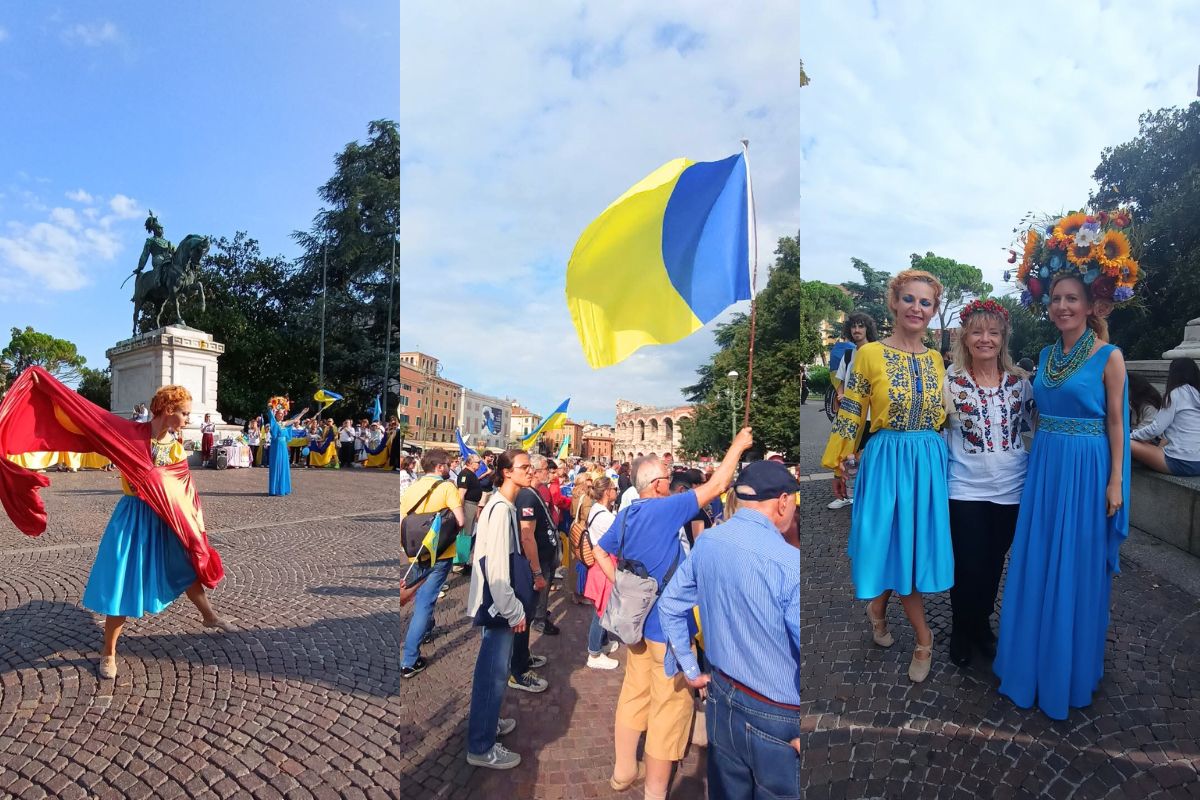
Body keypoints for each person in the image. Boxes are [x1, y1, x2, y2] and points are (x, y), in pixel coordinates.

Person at [994, 269, 1130, 720]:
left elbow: (1116, 423)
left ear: (1092, 306)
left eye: (1072, 298)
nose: (1063, 307)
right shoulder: (1048, 354)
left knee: (1075, 563)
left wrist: (1116, 481)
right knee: (1037, 559)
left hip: (1087, 469)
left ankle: (1066, 670)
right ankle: (1028, 661)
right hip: (1047, 465)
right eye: (1056, 298)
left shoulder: (1110, 356)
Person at [593, 427, 754, 798]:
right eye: (667, 476)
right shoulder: (664, 508)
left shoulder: (629, 513)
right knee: (668, 711)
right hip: (667, 630)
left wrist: (621, 584)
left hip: (634, 626)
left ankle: (622, 771)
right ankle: (654, 792)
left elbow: (599, 549)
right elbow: (716, 487)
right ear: (659, 484)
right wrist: (737, 445)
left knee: (634, 696)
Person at [822, 269, 951, 683]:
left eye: (925, 302)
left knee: (908, 547)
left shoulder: (936, 361)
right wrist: (839, 461)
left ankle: (878, 609)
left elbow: (949, 415)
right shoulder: (869, 354)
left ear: (934, 311)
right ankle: (924, 637)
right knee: (889, 543)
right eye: (909, 299)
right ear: (894, 303)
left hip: (927, 461)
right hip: (886, 458)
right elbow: (852, 408)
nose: (916, 308)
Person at [659, 460, 801, 799]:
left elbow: (670, 605)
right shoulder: (788, 563)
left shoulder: (708, 542)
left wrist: (691, 671)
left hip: (722, 696)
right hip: (777, 714)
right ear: (782, 501)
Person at [83, 385, 232, 679]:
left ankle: (208, 616)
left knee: (184, 565)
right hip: (134, 517)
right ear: (167, 410)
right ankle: (108, 653)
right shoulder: (130, 436)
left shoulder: (176, 448)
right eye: (184, 413)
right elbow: (90, 425)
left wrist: (195, 523)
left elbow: (184, 490)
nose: (188, 419)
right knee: (123, 580)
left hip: (165, 518)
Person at [941, 299, 1033, 668]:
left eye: (993, 332)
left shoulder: (1021, 385)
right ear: (965, 337)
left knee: (994, 562)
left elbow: (1038, 426)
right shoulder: (949, 382)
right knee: (967, 564)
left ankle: (980, 625)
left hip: (1012, 489)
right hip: (963, 488)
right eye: (977, 332)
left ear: (1003, 338)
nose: (985, 339)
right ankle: (962, 629)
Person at [464, 449, 532, 770]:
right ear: (507, 472)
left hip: (497, 602)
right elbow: (497, 567)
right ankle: (481, 745)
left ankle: (487, 725)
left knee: (493, 670)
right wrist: (514, 610)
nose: (530, 471)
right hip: (498, 605)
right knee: (492, 674)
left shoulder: (501, 506)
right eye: (524, 467)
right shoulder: (501, 509)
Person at [400, 449, 466, 679]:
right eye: (448, 464)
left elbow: (403, 521)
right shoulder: (448, 488)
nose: (450, 468)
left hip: (416, 552)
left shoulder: (411, 488)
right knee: (425, 602)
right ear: (440, 467)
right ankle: (409, 660)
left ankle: (426, 631)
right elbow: (461, 521)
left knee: (422, 596)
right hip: (441, 552)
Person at [828, 312, 879, 510]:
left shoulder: (876, 352)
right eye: (853, 327)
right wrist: (840, 394)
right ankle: (847, 494)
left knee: (867, 454)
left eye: (861, 326)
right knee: (846, 455)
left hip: (871, 415)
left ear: (868, 329)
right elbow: (840, 381)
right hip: (851, 415)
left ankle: (868, 494)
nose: (857, 330)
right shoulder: (849, 354)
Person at [1130, 357, 1200, 476]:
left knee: (1123, 441)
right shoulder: (1197, 394)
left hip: (1179, 462)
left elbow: (1156, 429)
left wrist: (1131, 435)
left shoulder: (1175, 393)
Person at [579, 476, 620, 669]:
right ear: (606, 492)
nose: (616, 491)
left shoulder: (597, 509)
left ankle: (602, 643)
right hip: (604, 565)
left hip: (600, 564)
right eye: (614, 488)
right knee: (601, 612)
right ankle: (594, 653)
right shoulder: (605, 516)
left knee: (605, 608)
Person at [266, 401, 309, 496]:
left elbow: (294, 420)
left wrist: (302, 413)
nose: (281, 415)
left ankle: (282, 488)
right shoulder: (274, 423)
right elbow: (270, 414)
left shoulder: (284, 423)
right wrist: (270, 406)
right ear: (276, 414)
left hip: (283, 448)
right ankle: (275, 489)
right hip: (276, 447)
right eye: (279, 414)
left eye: (282, 414)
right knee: (276, 466)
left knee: (283, 467)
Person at [454, 453, 485, 573]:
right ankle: (458, 564)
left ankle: (463, 561)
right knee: (464, 535)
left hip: (472, 506)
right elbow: (461, 494)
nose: (479, 464)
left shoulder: (472, 474)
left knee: (468, 534)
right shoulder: (465, 474)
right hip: (467, 506)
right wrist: (460, 511)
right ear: (470, 463)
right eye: (478, 462)